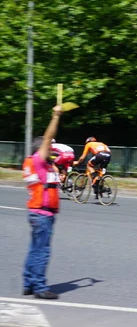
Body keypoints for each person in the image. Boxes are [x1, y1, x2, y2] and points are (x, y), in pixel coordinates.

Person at [21, 105, 62, 299]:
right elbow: (47, 138)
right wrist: (55, 116)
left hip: (37, 212)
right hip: (42, 214)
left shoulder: (36, 163)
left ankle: (28, 282)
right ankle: (39, 287)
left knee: (34, 249)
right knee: (42, 251)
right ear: (41, 150)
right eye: (49, 149)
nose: (52, 152)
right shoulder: (38, 161)